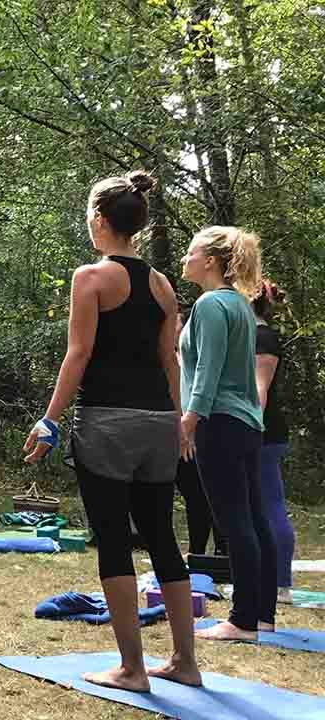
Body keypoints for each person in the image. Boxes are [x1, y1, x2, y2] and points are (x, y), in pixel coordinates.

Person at [23, 172, 200, 691]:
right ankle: (185, 663)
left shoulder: (91, 278)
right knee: (163, 537)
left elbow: (78, 354)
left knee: (114, 541)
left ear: (100, 220)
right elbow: (170, 359)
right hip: (159, 424)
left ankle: (132, 668)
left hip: (106, 422)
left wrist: (50, 418)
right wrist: (180, 418)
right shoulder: (163, 284)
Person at [179, 225, 274, 641]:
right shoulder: (239, 304)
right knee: (252, 519)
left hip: (219, 422)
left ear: (211, 262)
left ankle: (242, 621)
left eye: (191, 252)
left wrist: (190, 417)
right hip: (246, 424)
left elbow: (208, 368)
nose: (185, 258)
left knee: (235, 521)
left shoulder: (211, 305)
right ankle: (261, 614)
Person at [252, 280, 295, 604]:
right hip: (263, 430)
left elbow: (259, 390)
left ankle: (279, 584)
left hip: (263, 432)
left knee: (270, 505)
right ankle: (272, 580)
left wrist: (251, 429)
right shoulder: (255, 334)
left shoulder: (262, 337)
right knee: (264, 505)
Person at [172, 310, 225, 556]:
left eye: (175, 321)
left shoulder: (190, 358)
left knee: (201, 497)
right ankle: (196, 553)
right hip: (167, 436)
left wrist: (190, 432)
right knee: (192, 497)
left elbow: (197, 394)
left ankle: (207, 552)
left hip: (192, 434)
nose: (171, 326)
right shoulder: (162, 357)